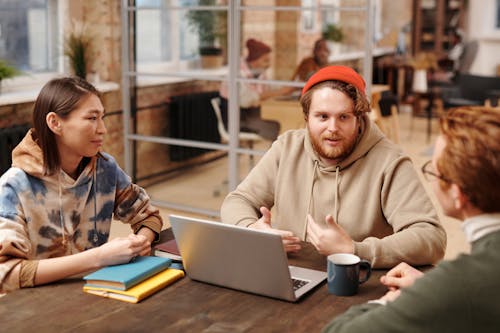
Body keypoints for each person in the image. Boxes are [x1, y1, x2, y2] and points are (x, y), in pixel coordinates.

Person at [221, 65, 446, 268]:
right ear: (307, 117)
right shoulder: (287, 147)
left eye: (344, 117)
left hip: (355, 284)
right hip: (291, 275)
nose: (332, 128)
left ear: (359, 118)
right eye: (322, 116)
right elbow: (238, 201)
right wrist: (252, 230)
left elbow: (431, 237)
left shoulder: (389, 161)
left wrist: (356, 250)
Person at [322, 106, 500, 332]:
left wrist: (392, 302)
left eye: (433, 172)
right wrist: (431, 288)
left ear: (458, 194)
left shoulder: (459, 283)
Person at [0, 77, 162, 294]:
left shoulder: (105, 169)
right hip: (35, 304)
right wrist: (99, 257)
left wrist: (140, 242)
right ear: (55, 123)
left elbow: (148, 216)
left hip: (95, 289)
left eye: (102, 117)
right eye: (92, 118)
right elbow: (6, 273)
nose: (103, 129)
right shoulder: (13, 186)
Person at [219, 38, 285, 141]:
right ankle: (276, 156)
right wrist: (281, 91)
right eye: (265, 61)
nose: (269, 64)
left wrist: (287, 87)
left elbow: (269, 87)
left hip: (252, 116)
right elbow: (248, 100)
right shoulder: (237, 74)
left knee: (283, 121)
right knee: (278, 127)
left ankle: (278, 155)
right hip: (237, 121)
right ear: (255, 60)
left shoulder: (258, 72)